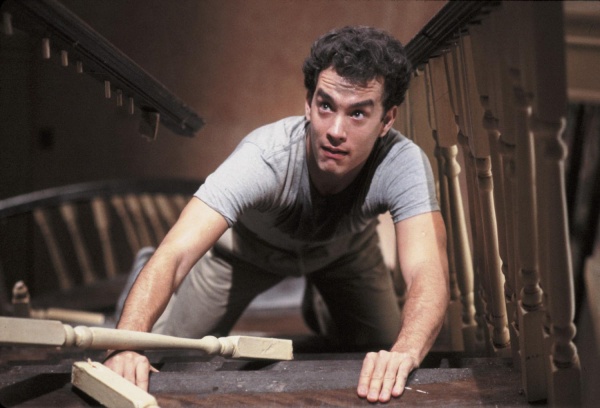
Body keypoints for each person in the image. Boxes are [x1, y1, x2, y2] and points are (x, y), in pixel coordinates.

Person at [105, 25, 449, 403]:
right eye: (326, 106)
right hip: (244, 253)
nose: (335, 131)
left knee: (383, 348)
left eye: (358, 114)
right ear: (308, 104)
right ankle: (141, 277)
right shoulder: (265, 157)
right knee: (171, 355)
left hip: (344, 252)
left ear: (387, 120)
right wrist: (125, 345)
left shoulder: (402, 162)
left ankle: (324, 302)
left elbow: (426, 270)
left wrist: (405, 351)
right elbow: (175, 252)